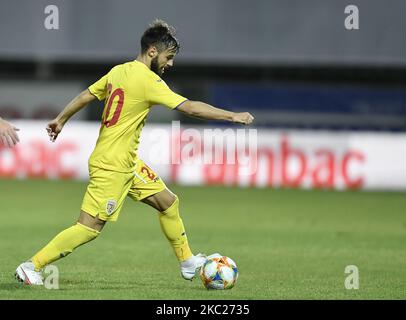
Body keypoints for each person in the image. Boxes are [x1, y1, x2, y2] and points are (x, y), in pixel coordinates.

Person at [15, 20, 254, 285]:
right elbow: (190, 108)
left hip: (127, 164)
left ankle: (186, 261)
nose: (170, 64)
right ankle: (31, 266)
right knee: (89, 228)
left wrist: (61, 119)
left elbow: (87, 94)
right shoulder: (148, 80)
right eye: (169, 57)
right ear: (152, 51)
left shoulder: (119, 71)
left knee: (168, 202)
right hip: (112, 166)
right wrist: (232, 116)